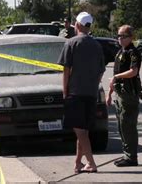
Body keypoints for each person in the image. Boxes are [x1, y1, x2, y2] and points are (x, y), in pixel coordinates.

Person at [57, 12, 105, 174]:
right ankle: (78, 163)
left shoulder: (71, 43)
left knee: (80, 131)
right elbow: (101, 71)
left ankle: (91, 163)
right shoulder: (97, 45)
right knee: (82, 130)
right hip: (91, 94)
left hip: (75, 94)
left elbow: (66, 70)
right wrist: (93, 85)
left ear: (76, 25)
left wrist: (65, 90)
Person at [106, 25, 142, 167]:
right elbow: (114, 78)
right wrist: (110, 94)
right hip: (119, 93)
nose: (119, 39)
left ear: (130, 37)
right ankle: (127, 155)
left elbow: (133, 71)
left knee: (128, 125)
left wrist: (116, 76)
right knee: (122, 125)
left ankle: (131, 157)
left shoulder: (133, 52)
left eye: (123, 36)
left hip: (129, 94)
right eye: (118, 36)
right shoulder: (121, 52)